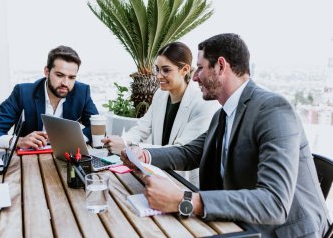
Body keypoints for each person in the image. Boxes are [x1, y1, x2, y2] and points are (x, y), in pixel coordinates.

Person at [121, 34, 330, 237]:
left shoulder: (272, 110)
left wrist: (185, 200)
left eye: (200, 68)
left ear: (221, 66)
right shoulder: (223, 115)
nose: (194, 77)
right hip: (237, 225)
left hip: (281, 232)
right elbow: (190, 153)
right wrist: (144, 156)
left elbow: (274, 203)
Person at [103, 42, 219, 184]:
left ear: (184, 70)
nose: (158, 76)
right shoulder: (160, 95)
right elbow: (143, 127)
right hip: (156, 175)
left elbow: (181, 151)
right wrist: (123, 141)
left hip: (182, 182)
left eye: (166, 70)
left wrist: (132, 148)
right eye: (157, 69)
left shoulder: (203, 103)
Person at [0, 45, 98, 149]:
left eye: (72, 77)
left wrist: (69, 139)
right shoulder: (23, 93)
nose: (66, 83)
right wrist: (19, 141)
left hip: (66, 160)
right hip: (28, 162)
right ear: (46, 72)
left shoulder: (82, 92)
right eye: (60, 75)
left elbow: (97, 127)